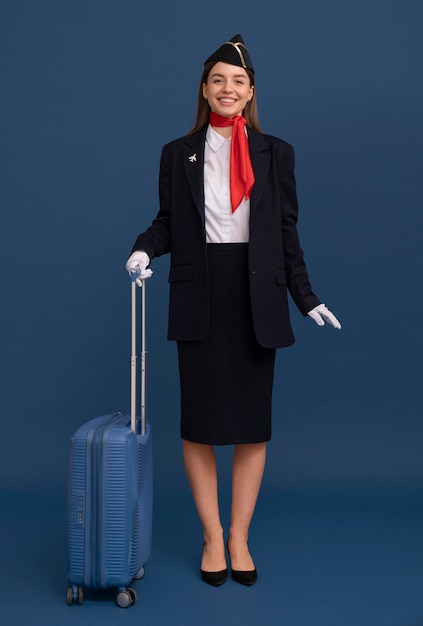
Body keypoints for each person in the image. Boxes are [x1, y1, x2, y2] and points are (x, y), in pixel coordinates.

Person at [126, 34, 341, 587]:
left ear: (250, 94)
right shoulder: (179, 152)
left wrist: (306, 298)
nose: (227, 89)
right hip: (200, 292)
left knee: (251, 425)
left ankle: (239, 536)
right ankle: (211, 536)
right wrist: (142, 248)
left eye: (238, 81)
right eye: (218, 79)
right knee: (199, 424)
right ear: (205, 88)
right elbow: (168, 222)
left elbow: (285, 233)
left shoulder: (278, 153)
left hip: (257, 294)